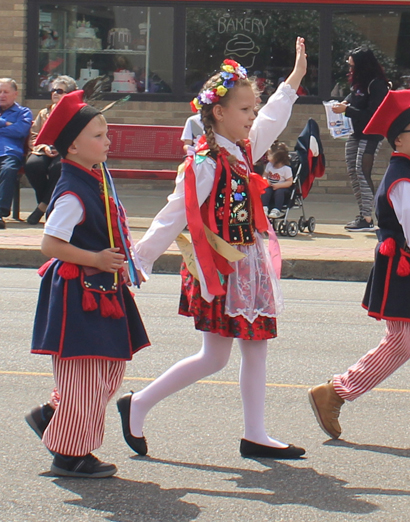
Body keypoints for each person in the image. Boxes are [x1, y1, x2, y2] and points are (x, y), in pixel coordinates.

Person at [116, 37, 308, 460]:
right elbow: (173, 214)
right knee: (215, 357)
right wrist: (141, 258)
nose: (251, 117)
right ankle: (140, 403)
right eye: (244, 110)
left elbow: (273, 118)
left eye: (252, 110)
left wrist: (294, 79)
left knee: (249, 348)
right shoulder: (205, 161)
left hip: (246, 264)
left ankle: (254, 432)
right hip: (219, 269)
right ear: (218, 112)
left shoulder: (241, 149)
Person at [308, 89, 410, 444]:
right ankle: (334, 392)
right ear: (398, 139)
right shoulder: (403, 179)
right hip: (404, 270)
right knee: (401, 343)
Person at [25, 90, 150, 478]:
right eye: (98, 135)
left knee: (107, 370)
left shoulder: (92, 179)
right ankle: (69, 454)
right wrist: (96, 259)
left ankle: (52, 416)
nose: (107, 141)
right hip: (81, 295)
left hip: (101, 290)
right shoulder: (72, 191)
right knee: (84, 374)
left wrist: (118, 264)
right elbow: (50, 243)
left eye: (106, 134)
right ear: (74, 146)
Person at [332, 47, 390, 232]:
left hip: (371, 133)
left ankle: (368, 217)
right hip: (356, 132)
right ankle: (363, 213)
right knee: (353, 172)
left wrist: (347, 110)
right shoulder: (358, 84)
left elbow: (373, 114)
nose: (350, 70)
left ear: (362, 66)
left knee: (362, 171)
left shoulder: (377, 84)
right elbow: (352, 99)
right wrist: (344, 104)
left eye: (353, 66)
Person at [24, 75, 77, 225]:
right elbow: (34, 136)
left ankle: (41, 208)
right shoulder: (44, 113)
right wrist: (44, 147)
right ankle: (49, 208)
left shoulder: (76, 114)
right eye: (53, 90)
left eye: (60, 91)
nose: (55, 93)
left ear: (69, 94)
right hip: (44, 149)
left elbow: (79, 138)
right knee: (33, 165)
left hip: (66, 152)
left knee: (59, 168)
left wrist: (61, 149)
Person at [0, 78, 32, 229]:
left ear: (15, 94)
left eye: (5, 92)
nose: (2, 95)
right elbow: (13, 129)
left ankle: (0, 212)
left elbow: (20, 131)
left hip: (9, 153)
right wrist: (5, 123)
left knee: (8, 169)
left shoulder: (23, 112)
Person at [261, 141, 293, 219]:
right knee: (266, 190)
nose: (267, 156)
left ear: (276, 158)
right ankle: (264, 207)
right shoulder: (269, 165)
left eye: (269, 155)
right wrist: (265, 180)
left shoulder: (286, 169)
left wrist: (279, 185)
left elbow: (289, 182)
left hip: (282, 187)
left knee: (279, 192)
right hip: (270, 186)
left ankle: (277, 209)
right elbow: (265, 175)